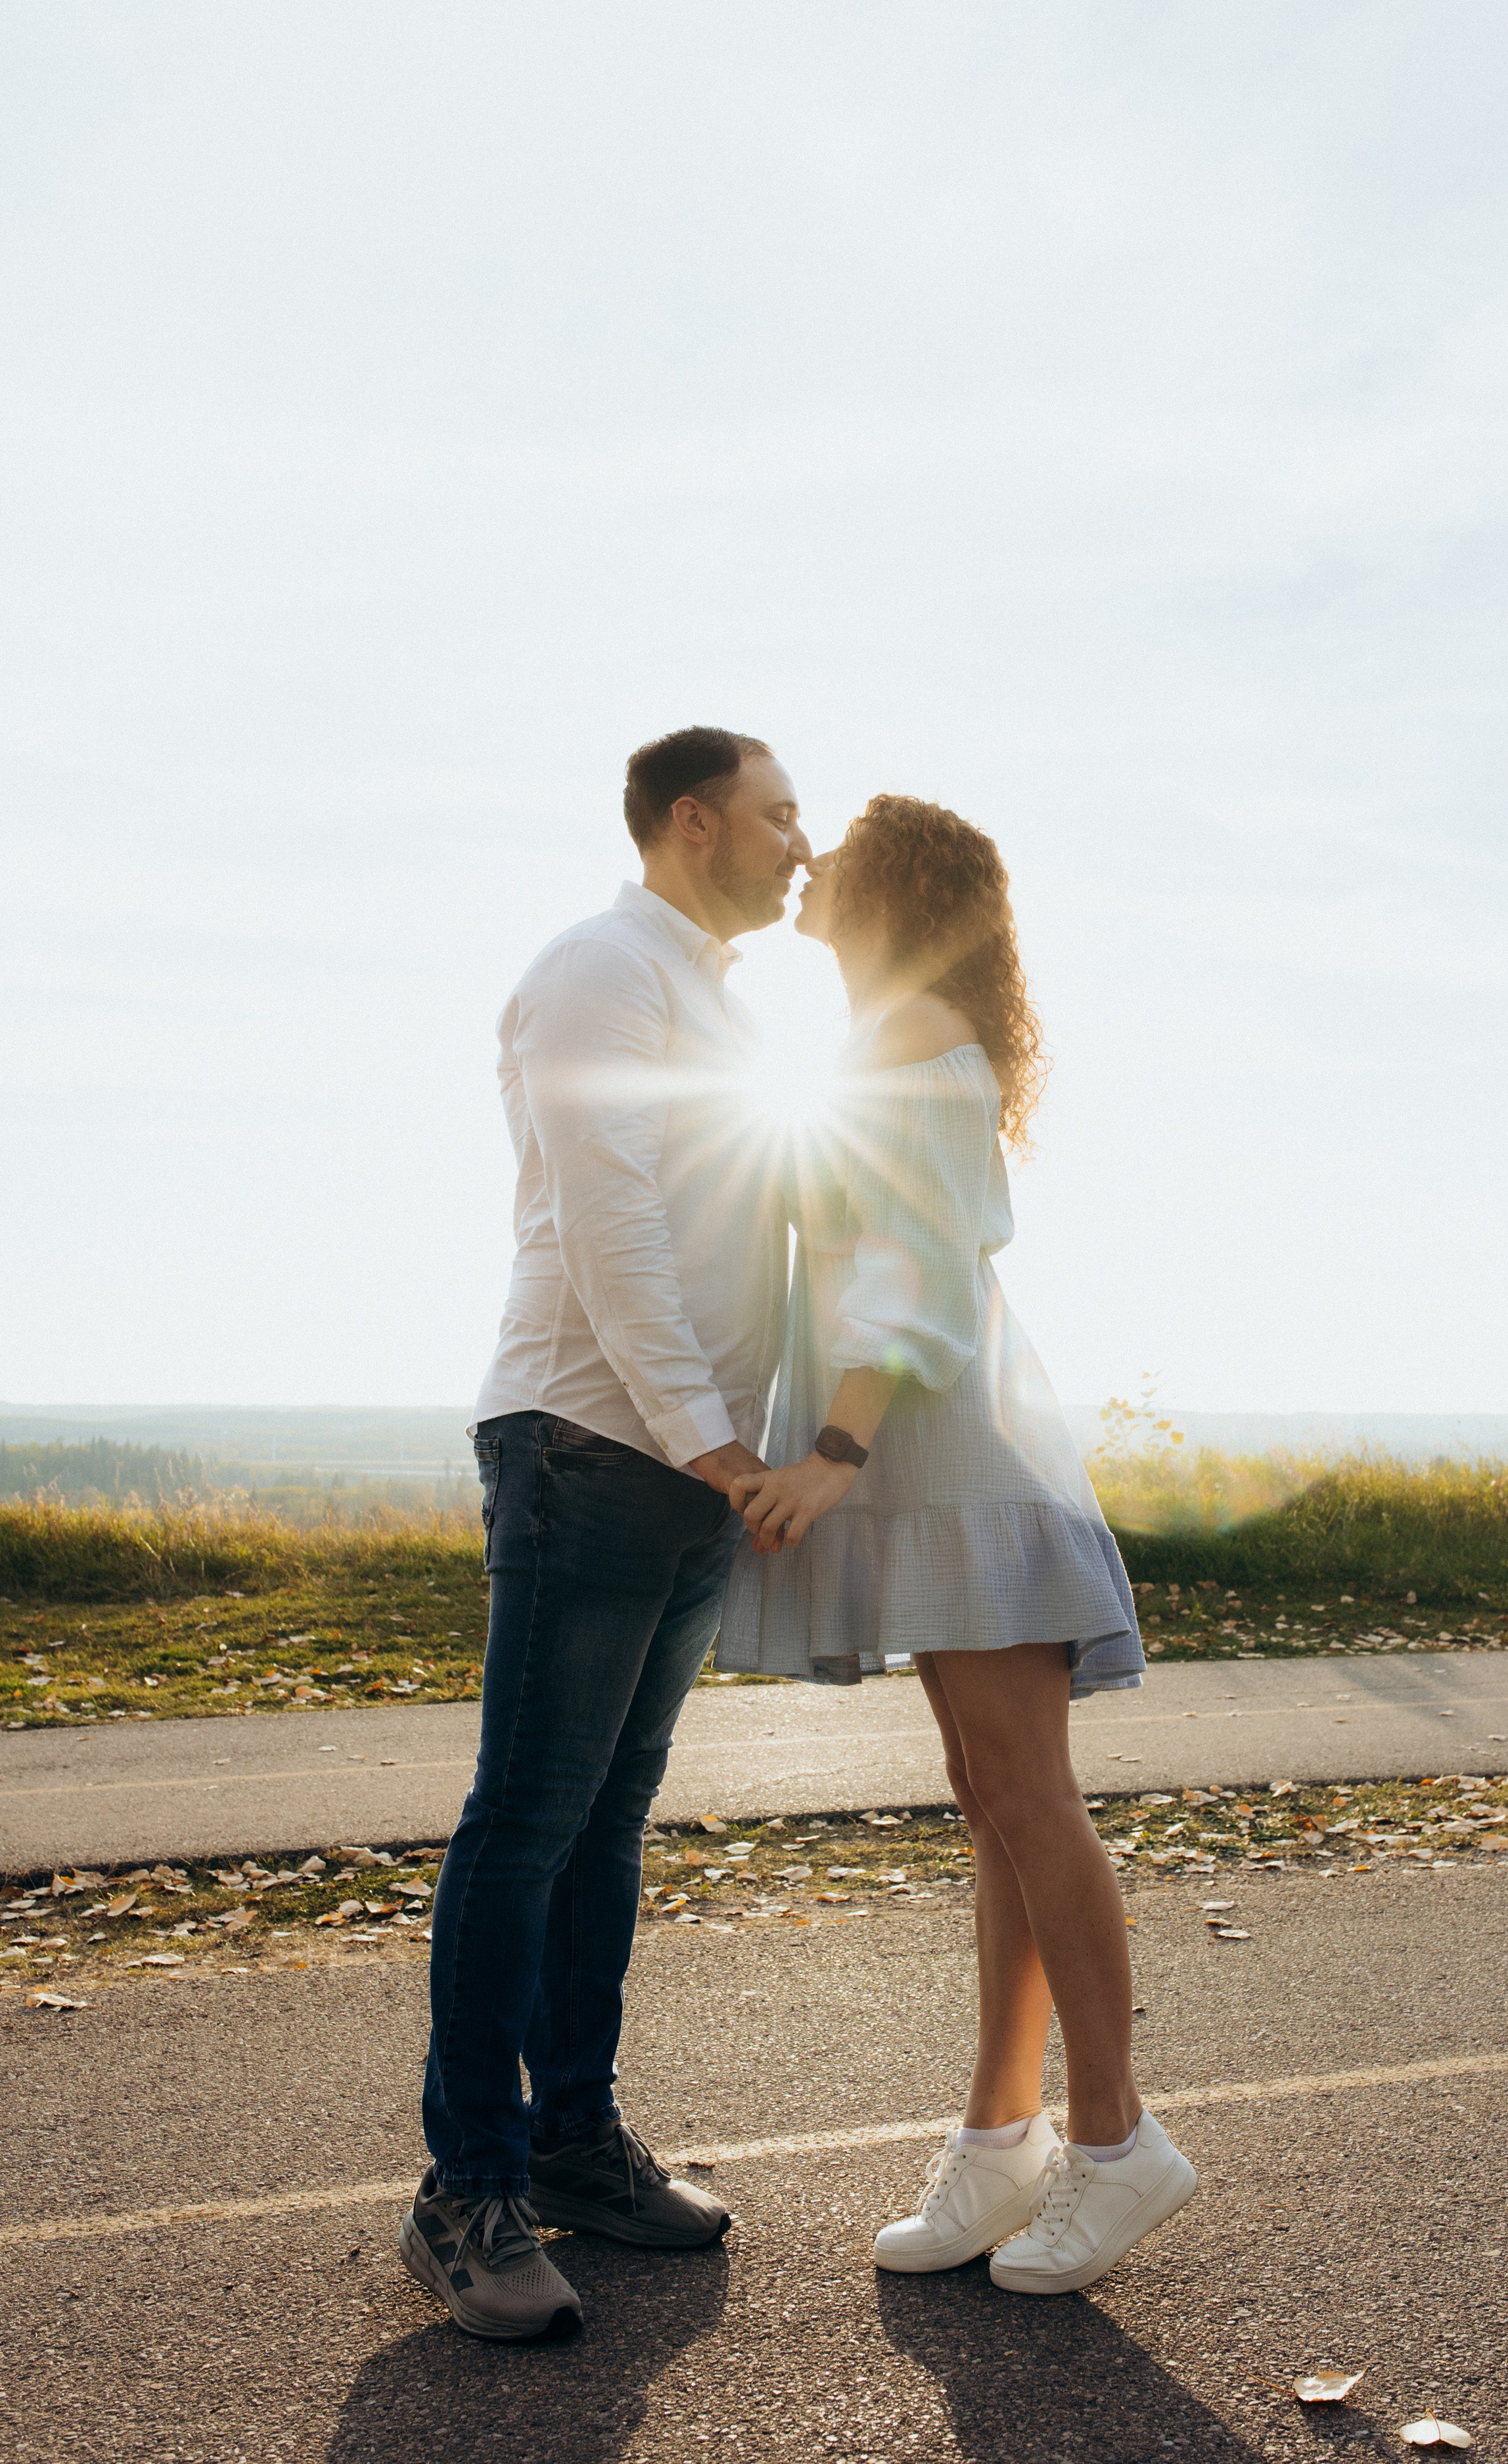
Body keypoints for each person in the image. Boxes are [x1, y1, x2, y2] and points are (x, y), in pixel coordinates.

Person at [717, 794, 1197, 2295]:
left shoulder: (914, 1034)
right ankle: (1002, 2142)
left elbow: (914, 1268)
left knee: (1026, 1801)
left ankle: (1119, 2145)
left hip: (948, 1466)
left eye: (834, 839)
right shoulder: (875, 1035)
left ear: (892, 884)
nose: (809, 855)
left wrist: (832, 1455)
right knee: (987, 1801)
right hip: (928, 1474)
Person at [400, 726, 811, 2341]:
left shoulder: (719, 996)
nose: (804, 840)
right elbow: (606, 1213)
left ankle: (572, 2141)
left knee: (608, 1822)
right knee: (527, 1820)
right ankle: (468, 2187)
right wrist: (709, 1436)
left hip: (689, 1461)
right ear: (693, 820)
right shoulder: (598, 970)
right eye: (780, 814)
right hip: (591, 1439)